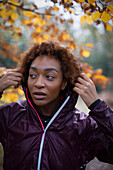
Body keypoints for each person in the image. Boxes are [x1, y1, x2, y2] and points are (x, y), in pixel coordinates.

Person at [0, 40, 113, 170]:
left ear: (64, 83)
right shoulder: (10, 115)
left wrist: (97, 106)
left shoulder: (83, 127)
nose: (38, 83)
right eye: (33, 75)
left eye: (49, 77)